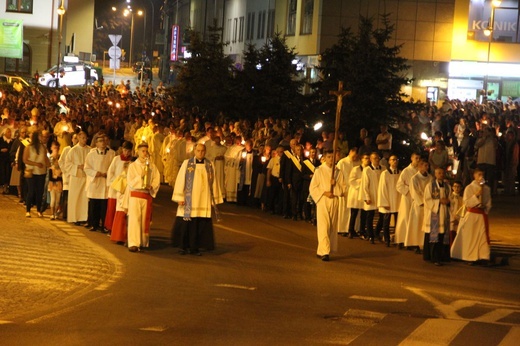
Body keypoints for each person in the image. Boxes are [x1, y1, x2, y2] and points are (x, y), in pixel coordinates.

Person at [171, 143, 223, 255]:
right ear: (194, 151)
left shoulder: (210, 165)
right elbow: (180, 180)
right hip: (189, 200)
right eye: (198, 150)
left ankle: (195, 248)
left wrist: (214, 199)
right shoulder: (187, 163)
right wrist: (180, 197)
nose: (200, 153)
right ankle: (183, 247)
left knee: (199, 224)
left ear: (205, 151)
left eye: (202, 151)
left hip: (203, 199)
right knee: (186, 224)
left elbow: (214, 182)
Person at [309, 150, 346, 261]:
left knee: (332, 226)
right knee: (323, 225)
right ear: (325, 158)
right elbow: (313, 187)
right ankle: (325, 252)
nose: (331, 159)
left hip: (334, 200)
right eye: (329, 157)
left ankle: (322, 250)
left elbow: (343, 189)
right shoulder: (319, 170)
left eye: (333, 157)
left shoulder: (338, 172)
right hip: (323, 200)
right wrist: (325, 192)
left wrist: (335, 186)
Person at [451, 169, 492, 265]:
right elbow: (466, 202)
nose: (481, 176)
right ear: (474, 176)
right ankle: (469, 256)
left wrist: (485, 207)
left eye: (482, 174)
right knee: (471, 237)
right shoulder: (469, 188)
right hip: (472, 215)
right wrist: (476, 196)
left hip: (481, 215)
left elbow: (489, 202)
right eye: (479, 174)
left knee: (481, 236)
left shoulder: (487, 189)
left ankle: (483, 256)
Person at [127, 142, 161, 252]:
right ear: (137, 152)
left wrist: (152, 186)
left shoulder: (151, 165)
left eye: (146, 151)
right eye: (142, 151)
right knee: (134, 220)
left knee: (143, 220)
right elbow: (130, 182)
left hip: (146, 195)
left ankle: (142, 241)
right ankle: (133, 243)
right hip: (136, 195)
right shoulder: (133, 166)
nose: (144, 153)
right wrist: (140, 176)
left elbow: (157, 179)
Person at [84, 135, 116, 232]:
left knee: (104, 206)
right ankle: (94, 224)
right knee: (94, 204)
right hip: (95, 182)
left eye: (103, 141)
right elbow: (87, 167)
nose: (102, 143)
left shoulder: (111, 153)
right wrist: (95, 173)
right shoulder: (91, 154)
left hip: (105, 181)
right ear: (96, 143)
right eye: (100, 141)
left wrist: (108, 174)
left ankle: (104, 225)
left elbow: (113, 167)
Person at [423, 167, 451, 265]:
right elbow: (427, 199)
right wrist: (439, 201)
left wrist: (448, 201)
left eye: (442, 173)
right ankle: (434, 258)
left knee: (441, 237)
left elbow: (450, 198)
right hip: (435, 214)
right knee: (434, 237)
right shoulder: (430, 186)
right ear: (435, 174)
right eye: (439, 173)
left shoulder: (447, 186)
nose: (441, 175)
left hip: (444, 214)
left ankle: (440, 256)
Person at [106, 141, 133, 240]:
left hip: (126, 189)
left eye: (129, 151)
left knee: (122, 209)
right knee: (113, 207)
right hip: (115, 187)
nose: (126, 153)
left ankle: (121, 230)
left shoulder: (132, 161)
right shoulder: (116, 159)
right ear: (122, 149)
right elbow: (110, 172)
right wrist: (113, 183)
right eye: (125, 150)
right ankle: (110, 228)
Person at [405, 158, 432, 253]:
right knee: (417, 225)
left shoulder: (430, 178)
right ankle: (415, 244)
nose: (427, 167)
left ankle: (424, 244)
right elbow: (414, 192)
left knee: (425, 226)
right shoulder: (414, 178)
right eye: (425, 165)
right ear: (420, 166)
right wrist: (423, 202)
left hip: (428, 206)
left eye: (428, 166)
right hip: (419, 205)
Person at [64, 131, 91, 224]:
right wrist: (78, 167)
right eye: (83, 138)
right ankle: (75, 217)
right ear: (79, 138)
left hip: (86, 177)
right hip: (76, 177)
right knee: (75, 198)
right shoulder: (73, 150)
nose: (85, 140)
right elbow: (67, 164)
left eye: (86, 138)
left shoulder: (90, 150)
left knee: (84, 198)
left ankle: (84, 217)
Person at [394, 153, 420, 248]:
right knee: (404, 218)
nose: (417, 160)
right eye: (416, 158)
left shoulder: (419, 171)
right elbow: (399, 185)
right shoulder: (406, 171)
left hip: (416, 198)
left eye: (419, 158)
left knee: (414, 219)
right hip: (407, 197)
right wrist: (409, 189)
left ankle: (411, 241)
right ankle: (401, 239)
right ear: (412, 158)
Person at [23, 131, 50, 217]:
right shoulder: (29, 147)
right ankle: (28, 210)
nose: (42, 137)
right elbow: (25, 159)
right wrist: (36, 164)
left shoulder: (43, 147)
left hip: (41, 172)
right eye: (40, 136)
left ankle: (39, 210)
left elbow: (45, 159)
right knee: (31, 191)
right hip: (31, 171)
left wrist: (52, 165)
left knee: (40, 191)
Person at [377, 154, 400, 247]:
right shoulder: (385, 173)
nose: (394, 161)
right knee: (386, 223)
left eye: (395, 159)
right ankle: (387, 239)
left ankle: (398, 239)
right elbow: (382, 188)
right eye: (392, 160)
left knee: (398, 222)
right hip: (389, 200)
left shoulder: (400, 173)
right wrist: (384, 202)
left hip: (398, 201)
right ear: (389, 161)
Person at [360, 152, 383, 244]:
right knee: (370, 216)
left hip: (380, 196)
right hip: (371, 195)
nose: (376, 160)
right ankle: (370, 235)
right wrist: (367, 196)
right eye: (374, 158)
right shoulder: (367, 170)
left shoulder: (383, 169)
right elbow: (365, 185)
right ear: (371, 160)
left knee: (382, 216)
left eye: (378, 158)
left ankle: (376, 232)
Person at [336, 148, 360, 236]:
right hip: (344, 189)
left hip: (354, 190)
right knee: (343, 210)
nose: (355, 158)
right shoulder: (342, 162)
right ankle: (342, 228)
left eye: (356, 156)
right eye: (353, 156)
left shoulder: (358, 163)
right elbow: (338, 177)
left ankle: (352, 228)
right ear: (350, 152)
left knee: (353, 210)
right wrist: (340, 189)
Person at [347, 154, 370, 238]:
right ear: (362, 160)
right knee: (354, 213)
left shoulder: (369, 170)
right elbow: (351, 180)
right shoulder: (356, 169)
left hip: (364, 193)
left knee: (364, 214)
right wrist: (361, 182)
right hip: (356, 193)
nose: (367, 160)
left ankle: (362, 230)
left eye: (368, 158)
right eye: (366, 158)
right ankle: (351, 230)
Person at [47, 142, 63, 220]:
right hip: (52, 182)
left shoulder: (61, 158)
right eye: (54, 147)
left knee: (58, 200)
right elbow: (49, 170)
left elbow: (62, 169)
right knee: (53, 199)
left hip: (59, 181)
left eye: (57, 147)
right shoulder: (49, 158)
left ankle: (56, 212)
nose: (56, 149)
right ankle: (52, 213)